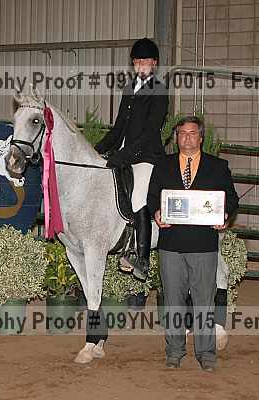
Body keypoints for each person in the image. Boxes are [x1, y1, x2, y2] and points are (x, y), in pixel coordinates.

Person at [147, 116, 239, 372]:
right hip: (171, 245)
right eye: (182, 133)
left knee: (204, 302)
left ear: (201, 137)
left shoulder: (218, 166)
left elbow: (232, 198)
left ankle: (206, 353)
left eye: (192, 133)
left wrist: (224, 215)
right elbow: (152, 196)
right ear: (176, 137)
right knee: (173, 301)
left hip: (204, 245)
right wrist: (156, 212)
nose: (187, 137)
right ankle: (174, 352)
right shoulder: (162, 165)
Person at [94, 37, 169, 281]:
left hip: (145, 155)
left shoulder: (159, 89)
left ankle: (142, 258)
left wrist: (124, 155)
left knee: (137, 198)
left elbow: (150, 131)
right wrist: (96, 149)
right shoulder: (129, 89)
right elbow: (118, 128)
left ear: (154, 63)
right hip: (125, 153)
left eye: (144, 61)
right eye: (136, 62)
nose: (140, 66)